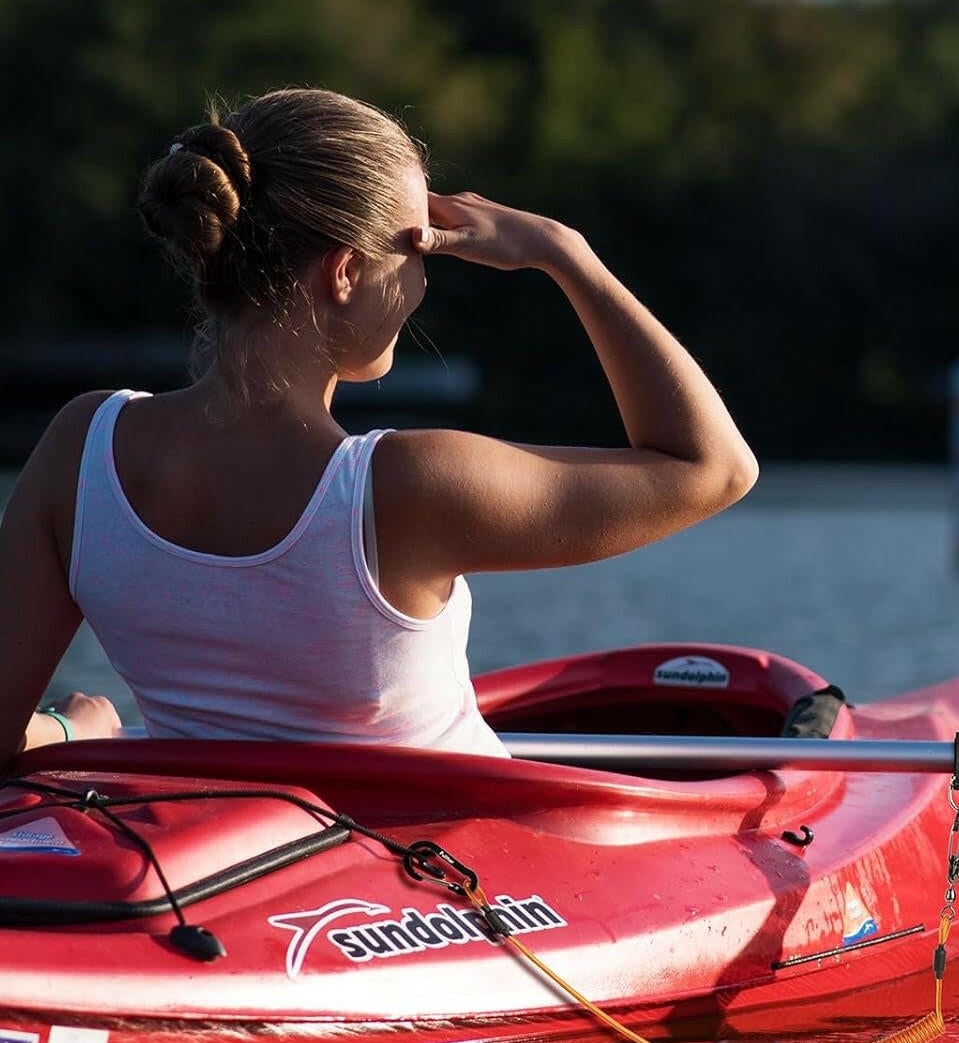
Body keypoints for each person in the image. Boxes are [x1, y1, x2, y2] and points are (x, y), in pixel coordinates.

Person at [0, 87, 758, 762]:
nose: (425, 278)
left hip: (235, 876)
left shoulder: (81, 447)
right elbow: (715, 468)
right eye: (420, 246)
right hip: (444, 885)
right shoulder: (407, 486)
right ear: (345, 272)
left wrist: (69, 732)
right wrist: (568, 256)